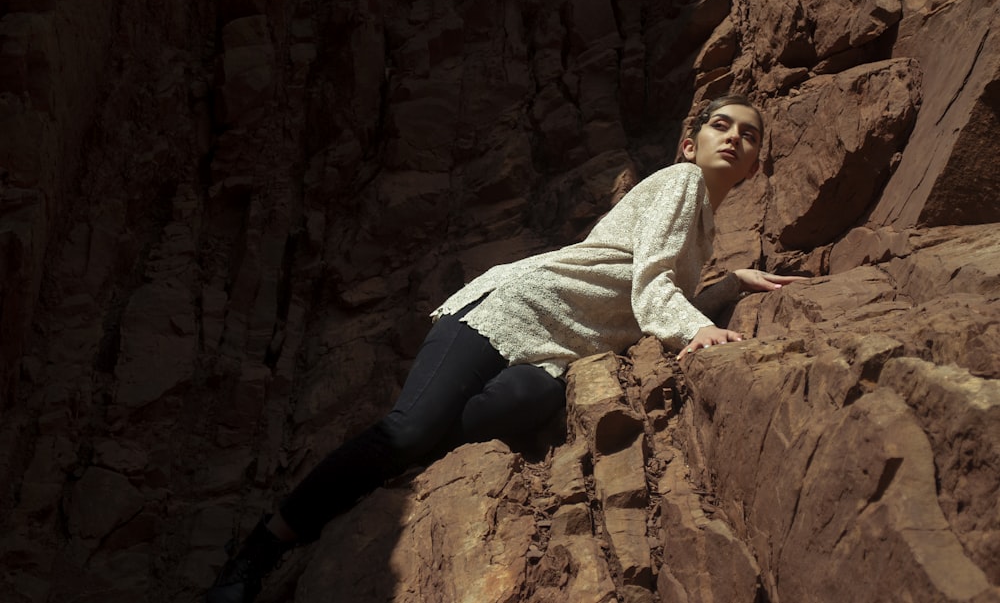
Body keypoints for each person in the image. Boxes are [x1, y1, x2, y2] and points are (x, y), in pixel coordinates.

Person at [205, 93, 800, 603]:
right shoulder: (683, 181)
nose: (735, 139)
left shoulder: (703, 222)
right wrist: (696, 327)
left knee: (529, 400)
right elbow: (650, 284)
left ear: (753, 167)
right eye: (721, 126)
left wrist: (726, 286)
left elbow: (640, 284)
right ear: (690, 145)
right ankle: (264, 545)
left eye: (749, 136)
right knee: (408, 433)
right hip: (512, 308)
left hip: (552, 349)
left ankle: (383, 477)